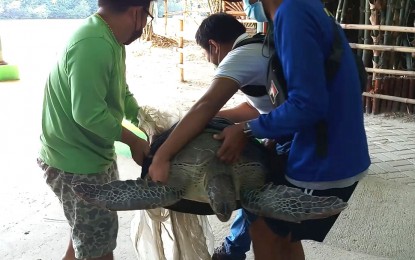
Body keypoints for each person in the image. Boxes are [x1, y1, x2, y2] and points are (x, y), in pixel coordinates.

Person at [149, 0, 371, 260]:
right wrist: (274, 132)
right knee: (282, 236)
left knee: (264, 228)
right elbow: (315, 88)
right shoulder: (304, 7)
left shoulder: (292, 12)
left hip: (323, 157)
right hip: (332, 146)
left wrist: (247, 130)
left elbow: (308, 105)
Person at [37, 0, 154, 259]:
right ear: (137, 12)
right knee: (98, 248)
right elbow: (88, 114)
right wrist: (133, 141)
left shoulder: (110, 38)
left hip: (91, 154)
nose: (145, 24)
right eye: (149, 16)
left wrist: (144, 121)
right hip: (75, 163)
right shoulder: (93, 43)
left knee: (87, 235)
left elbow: (119, 91)